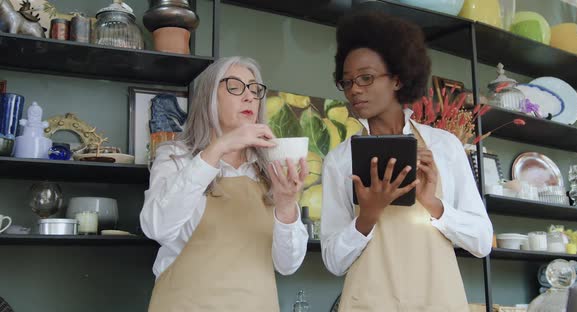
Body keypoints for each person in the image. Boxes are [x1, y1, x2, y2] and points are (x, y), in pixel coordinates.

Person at [320, 12, 493, 311]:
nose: (354, 90)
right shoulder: (339, 161)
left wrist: (433, 204)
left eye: (366, 78)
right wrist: (368, 215)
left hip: (438, 302)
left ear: (398, 79)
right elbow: (334, 262)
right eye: (346, 82)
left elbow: (481, 241)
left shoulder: (444, 146)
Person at [140, 56, 309, 311]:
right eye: (234, 86)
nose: (249, 96)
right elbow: (156, 227)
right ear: (209, 97)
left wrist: (286, 206)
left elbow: (288, 265)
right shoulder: (176, 157)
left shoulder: (269, 168)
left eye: (254, 89)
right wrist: (218, 148)